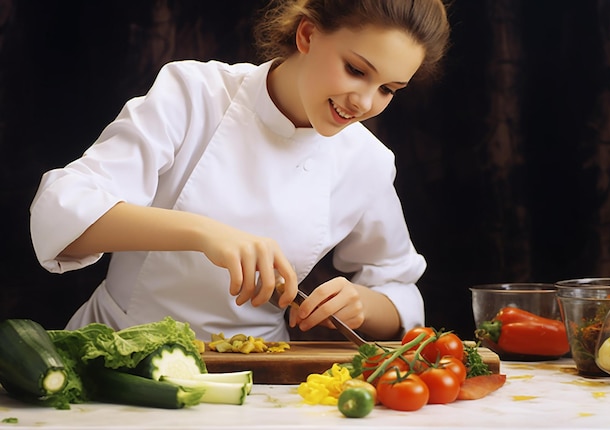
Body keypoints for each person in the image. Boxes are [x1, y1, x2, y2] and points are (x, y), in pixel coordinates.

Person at [30, 0, 450, 342]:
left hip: (257, 375)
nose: (364, 102)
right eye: (356, 70)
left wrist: (360, 303)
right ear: (307, 35)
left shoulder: (367, 160)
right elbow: (62, 211)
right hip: (117, 349)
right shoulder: (194, 94)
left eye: (388, 90)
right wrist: (205, 233)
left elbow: (399, 291)